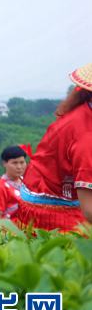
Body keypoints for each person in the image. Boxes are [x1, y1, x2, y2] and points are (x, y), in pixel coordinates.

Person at [13, 63, 92, 231]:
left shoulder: (83, 112)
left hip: (49, 195)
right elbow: (89, 210)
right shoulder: (86, 136)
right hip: (51, 211)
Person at [0, 146, 27, 224]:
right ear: (4, 163)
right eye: (14, 163)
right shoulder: (1, 186)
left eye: (22, 162)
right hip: (10, 233)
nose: (19, 167)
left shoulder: (26, 182)